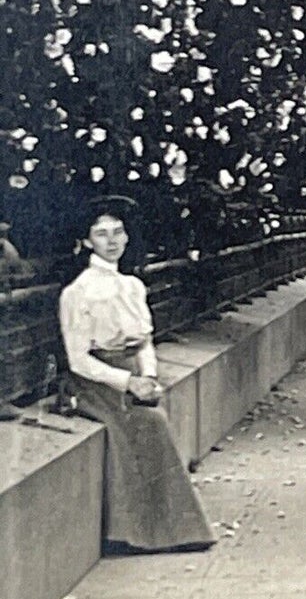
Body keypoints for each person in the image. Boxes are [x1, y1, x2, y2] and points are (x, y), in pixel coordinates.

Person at [58, 206, 215, 553]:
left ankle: (173, 527)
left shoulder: (132, 285)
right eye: (101, 234)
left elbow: (145, 341)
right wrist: (128, 383)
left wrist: (149, 376)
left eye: (117, 232)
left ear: (127, 237)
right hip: (96, 381)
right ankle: (133, 533)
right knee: (147, 421)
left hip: (132, 374)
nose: (112, 241)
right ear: (86, 242)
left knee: (151, 414)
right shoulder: (77, 292)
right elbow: (78, 359)